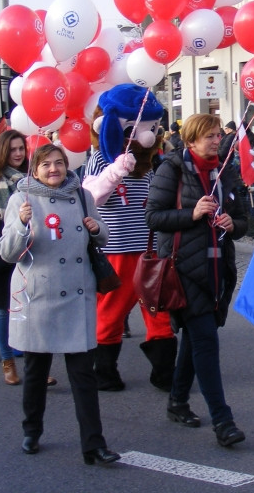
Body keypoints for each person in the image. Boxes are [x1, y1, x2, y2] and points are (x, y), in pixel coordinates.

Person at [0, 143, 120, 466]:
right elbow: (8, 253)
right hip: (39, 297)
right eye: (46, 165)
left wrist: (96, 228)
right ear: (34, 169)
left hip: (77, 295)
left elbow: (103, 236)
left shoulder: (83, 196)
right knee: (36, 372)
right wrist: (23, 225)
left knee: (84, 376)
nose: (54, 169)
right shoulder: (20, 200)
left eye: (59, 163)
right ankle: (32, 429)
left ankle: (94, 444)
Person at [145, 113, 248, 447]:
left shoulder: (227, 170)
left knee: (195, 336)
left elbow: (245, 219)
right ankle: (223, 420)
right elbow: (154, 216)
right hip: (183, 269)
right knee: (204, 338)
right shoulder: (171, 169)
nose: (217, 141)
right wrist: (191, 214)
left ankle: (177, 401)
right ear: (190, 141)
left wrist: (234, 224)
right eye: (209, 136)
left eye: (218, 135)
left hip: (218, 269)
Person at [82, 85, 177, 393]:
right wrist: (114, 172)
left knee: (158, 309)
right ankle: (103, 370)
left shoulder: (149, 163)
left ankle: (164, 372)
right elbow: (91, 197)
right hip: (116, 248)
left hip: (148, 248)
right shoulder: (99, 157)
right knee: (111, 310)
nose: (147, 136)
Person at [0, 129, 40, 387]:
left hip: (31, 252)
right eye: (12, 149)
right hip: (0, 254)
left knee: (32, 310)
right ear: (3, 151)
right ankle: (8, 363)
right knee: (3, 310)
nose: (18, 154)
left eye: (21, 149)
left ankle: (36, 366)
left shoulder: (32, 179)